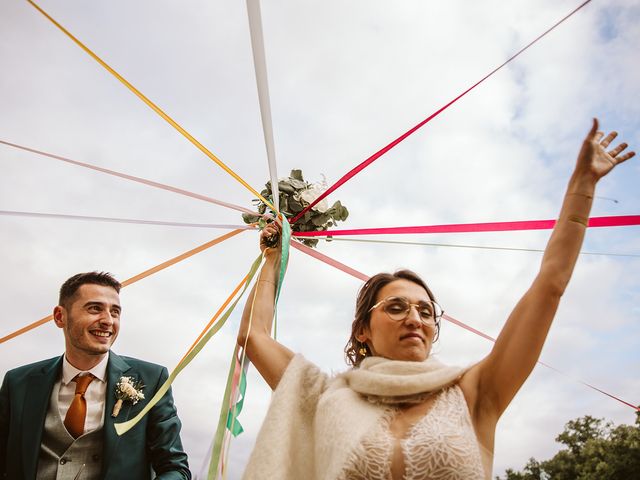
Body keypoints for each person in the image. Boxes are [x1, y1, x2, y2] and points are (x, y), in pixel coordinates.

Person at [237, 119, 635, 480]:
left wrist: (582, 189)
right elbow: (255, 336)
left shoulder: (475, 392)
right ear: (362, 330)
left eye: (426, 311)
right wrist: (273, 257)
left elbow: (549, 285)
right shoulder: (324, 397)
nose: (415, 318)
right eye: (396, 307)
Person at [0, 272, 191, 480]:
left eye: (115, 312)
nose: (108, 321)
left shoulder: (152, 379)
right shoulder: (18, 382)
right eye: (95, 309)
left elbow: (175, 468)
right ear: (59, 316)